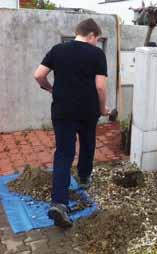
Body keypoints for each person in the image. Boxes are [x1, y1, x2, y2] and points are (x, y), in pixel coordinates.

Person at [33, 18, 108, 227]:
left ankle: (59, 203)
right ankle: (83, 178)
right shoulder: (97, 54)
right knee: (87, 143)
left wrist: (50, 88)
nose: (96, 43)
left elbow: (38, 75)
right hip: (87, 111)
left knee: (64, 153)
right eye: (97, 39)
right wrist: (103, 109)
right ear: (92, 35)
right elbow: (101, 87)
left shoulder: (57, 50)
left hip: (62, 110)